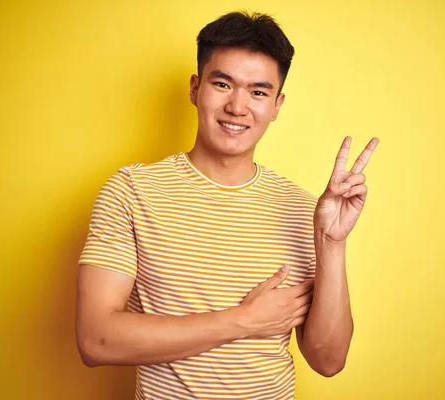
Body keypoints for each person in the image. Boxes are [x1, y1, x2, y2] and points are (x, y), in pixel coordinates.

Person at [76, 10, 379, 400]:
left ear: (277, 105)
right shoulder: (131, 192)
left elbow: (328, 360)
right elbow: (95, 340)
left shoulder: (305, 210)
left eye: (258, 91)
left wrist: (331, 242)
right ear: (195, 89)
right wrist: (244, 321)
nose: (238, 106)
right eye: (222, 84)